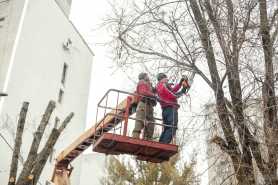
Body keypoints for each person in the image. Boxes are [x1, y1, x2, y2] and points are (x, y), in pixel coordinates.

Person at [156, 73, 189, 144]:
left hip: (166, 109)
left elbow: (172, 91)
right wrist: (182, 91)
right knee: (172, 127)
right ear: (163, 79)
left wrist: (180, 84)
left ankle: (161, 143)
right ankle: (163, 144)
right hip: (170, 108)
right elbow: (172, 95)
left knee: (167, 128)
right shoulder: (162, 85)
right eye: (166, 78)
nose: (168, 80)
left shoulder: (161, 85)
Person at [132, 73, 156, 140]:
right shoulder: (142, 82)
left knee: (151, 122)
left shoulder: (149, 84)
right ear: (144, 76)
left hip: (149, 105)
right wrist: (153, 95)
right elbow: (143, 92)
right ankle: (135, 136)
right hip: (143, 103)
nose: (148, 77)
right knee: (140, 120)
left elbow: (155, 90)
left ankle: (148, 138)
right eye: (147, 75)